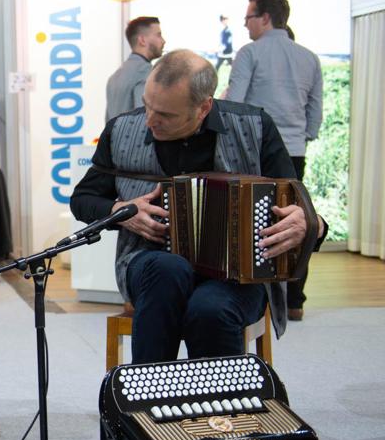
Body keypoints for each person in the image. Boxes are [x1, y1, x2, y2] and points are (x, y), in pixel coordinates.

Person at [71, 50, 327, 364]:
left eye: (165, 114)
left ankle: (215, 409)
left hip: (237, 276)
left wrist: (308, 223)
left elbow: (298, 206)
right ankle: (150, 398)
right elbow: (82, 200)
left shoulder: (254, 126)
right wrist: (122, 212)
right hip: (148, 264)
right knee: (168, 269)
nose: (150, 120)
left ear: (204, 107)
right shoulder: (121, 130)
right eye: (147, 104)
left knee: (210, 309)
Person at [224, 0, 323, 322]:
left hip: (256, 153)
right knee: (297, 221)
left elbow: (235, 104)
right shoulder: (309, 57)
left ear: (264, 17)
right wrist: (300, 136)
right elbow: (315, 109)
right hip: (295, 152)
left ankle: (256, 295)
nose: (246, 25)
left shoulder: (249, 53)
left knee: (252, 224)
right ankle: (294, 300)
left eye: (248, 18)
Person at [105, 16, 165, 122]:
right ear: (142, 40)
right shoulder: (146, 73)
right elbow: (146, 119)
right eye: (158, 35)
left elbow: (108, 123)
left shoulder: (114, 77)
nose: (163, 41)